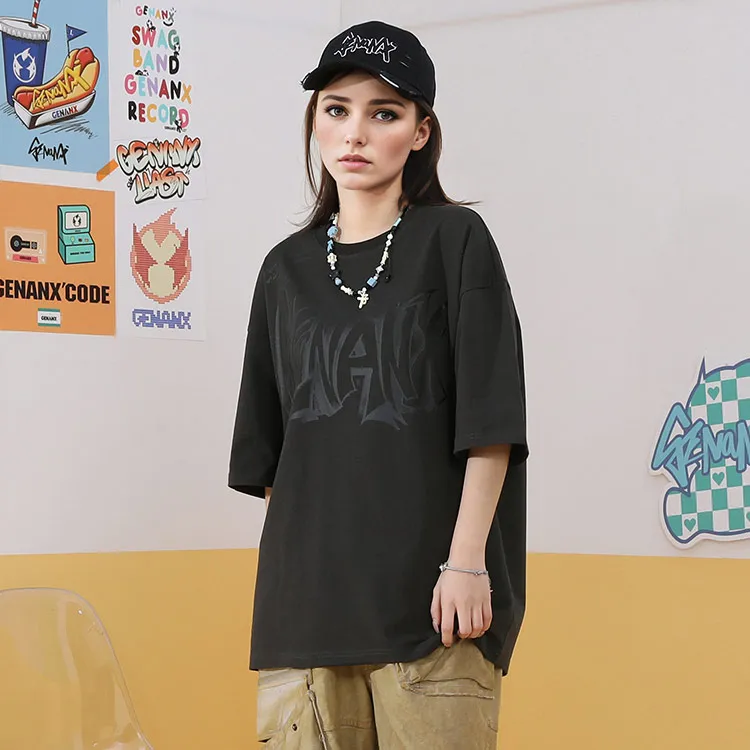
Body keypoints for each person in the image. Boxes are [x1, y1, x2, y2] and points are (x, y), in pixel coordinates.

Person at [228, 19, 528, 750]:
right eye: (337, 109)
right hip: (305, 620)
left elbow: (491, 424)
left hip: (434, 613)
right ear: (316, 121)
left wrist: (466, 563)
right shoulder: (284, 270)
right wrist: (318, 575)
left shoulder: (454, 241)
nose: (355, 133)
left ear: (420, 132)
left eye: (384, 113)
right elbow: (274, 461)